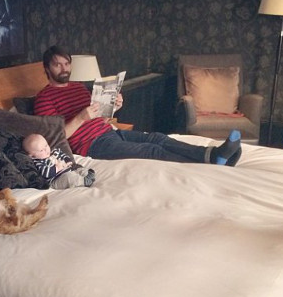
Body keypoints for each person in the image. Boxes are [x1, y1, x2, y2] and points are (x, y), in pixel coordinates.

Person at [33, 45, 242, 166]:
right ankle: (210, 163)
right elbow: (54, 138)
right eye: (57, 64)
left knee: (158, 138)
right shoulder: (44, 98)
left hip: (108, 132)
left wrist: (113, 107)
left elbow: (99, 118)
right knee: (151, 150)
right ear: (46, 68)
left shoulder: (78, 87)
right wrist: (81, 117)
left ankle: (211, 154)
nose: (64, 69)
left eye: (66, 63)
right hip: (91, 145)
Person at [23, 133, 96, 189]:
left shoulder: (54, 152)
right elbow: (46, 173)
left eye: (46, 145)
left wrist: (68, 161)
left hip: (68, 169)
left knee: (78, 169)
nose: (46, 150)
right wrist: (57, 168)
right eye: (41, 150)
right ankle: (84, 181)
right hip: (56, 179)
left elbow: (63, 155)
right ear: (31, 156)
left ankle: (87, 175)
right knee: (69, 178)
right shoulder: (39, 162)